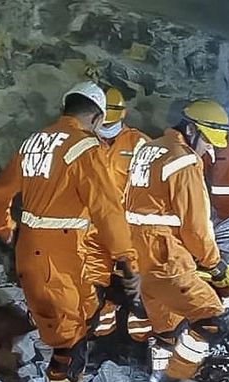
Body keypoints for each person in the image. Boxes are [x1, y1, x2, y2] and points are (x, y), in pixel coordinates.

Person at [0, 82, 137, 382]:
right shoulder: (85, 147)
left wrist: (5, 228)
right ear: (97, 116)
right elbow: (106, 209)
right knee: (70, 339)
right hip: (62, 252)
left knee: (77, 326)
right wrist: (127, 260)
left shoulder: (34, 142)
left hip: (33, 247)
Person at [125, 99, 229, 382]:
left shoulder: (147, 150)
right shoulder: (183, 160)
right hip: (165, 257)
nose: (207, 150)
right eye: (206, 142)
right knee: (212, 322)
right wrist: (215, 266)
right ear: (190, 130)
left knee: (166, 331)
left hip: (140, 255)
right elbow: (196, 226)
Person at [84, 86, 152, 341]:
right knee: (97, 285)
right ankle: (103, 339)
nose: (106, 128)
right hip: (93, 229)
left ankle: (140, 334)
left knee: (135, 283)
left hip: (129, 228)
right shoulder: (85, 142)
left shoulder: (139, 143)